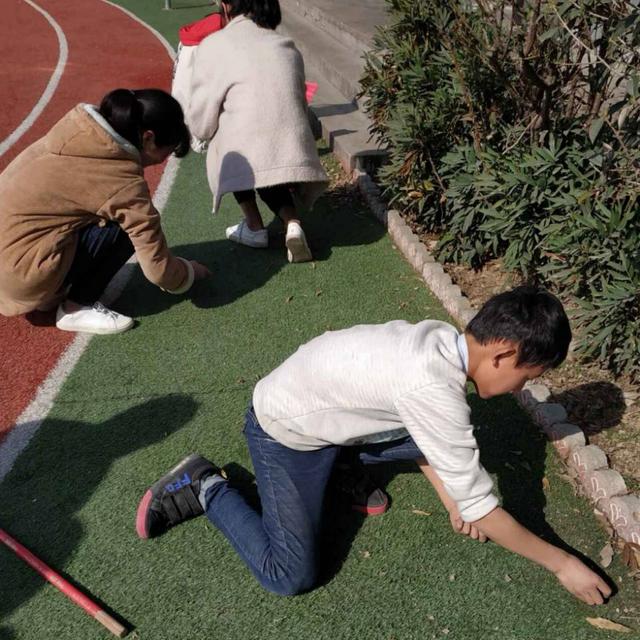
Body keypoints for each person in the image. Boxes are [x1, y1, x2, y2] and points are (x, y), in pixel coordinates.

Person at [136, 286, 612, 604]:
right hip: (284, 430)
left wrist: (450, 497)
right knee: (289, 576)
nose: (519, 388)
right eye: (527, 377)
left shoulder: (443, 342)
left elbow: (422, 434)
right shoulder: (433, 387)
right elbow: (482, 505)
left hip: (324, 408)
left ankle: (340, 466)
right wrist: (563, 564)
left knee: (452, 441)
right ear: (504, 353)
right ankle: (206, 487)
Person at [0, 89, 210, 334]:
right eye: (165, 153)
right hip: (22, 277)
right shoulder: (121, 180)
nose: (161, 161)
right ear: (148, 138)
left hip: (9, 260)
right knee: (125, 225)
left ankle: (51, 288)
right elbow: (159, 272)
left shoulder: (78, 131)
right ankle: (75, 308)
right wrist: (189, 273)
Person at [184, 0, 328, 263]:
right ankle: (292, 222)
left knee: (232, 141)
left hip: (252, 146)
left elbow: (202, 125)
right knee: (266, 158)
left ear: (227, 6)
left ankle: (254, 225)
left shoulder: (215, 45)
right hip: (292, 146)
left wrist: (202, 130)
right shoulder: (286, 46)